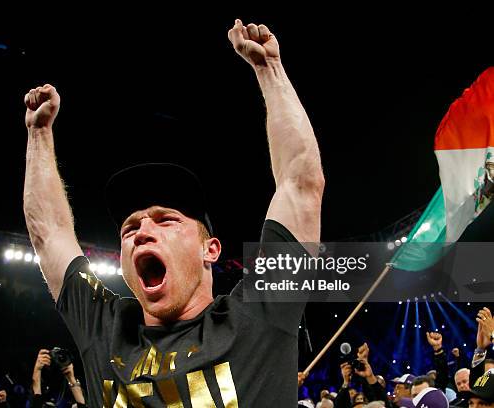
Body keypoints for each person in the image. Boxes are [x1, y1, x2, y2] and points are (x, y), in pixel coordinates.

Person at [22, 19, 324, 407]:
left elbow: (301, 184)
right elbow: (49, 235)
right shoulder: (108, 330)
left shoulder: (259, 316)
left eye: (166, 220)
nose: (142, 231)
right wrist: (38, 133)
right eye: (130, 228)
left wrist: (269, 69)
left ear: (210, 249)